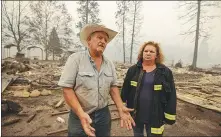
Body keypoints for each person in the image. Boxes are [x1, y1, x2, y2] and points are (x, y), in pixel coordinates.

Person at [58, 24, 135, 137]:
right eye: (99, 37)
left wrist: (120, 106)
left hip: (103, 114)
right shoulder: (76, 59)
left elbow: (113, 87)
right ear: (89, 40)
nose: (103, 41)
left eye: (105, 40)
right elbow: (67, 89)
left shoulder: (109, 64)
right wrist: (81, 114)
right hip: (80, 113)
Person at [121, 41, 177, 136]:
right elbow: (125, 90)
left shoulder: (165, 72)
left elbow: (171, 95)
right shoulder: (133, 70)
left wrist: (170, 115)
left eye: (151, 51)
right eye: (146, 51)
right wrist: (122, 109)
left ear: (157, 55)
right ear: (142, 53)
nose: (148, 53)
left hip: (156, 115)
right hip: (136, 114)